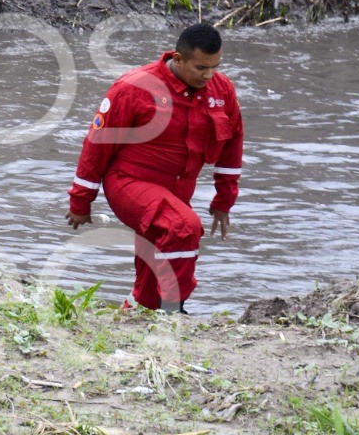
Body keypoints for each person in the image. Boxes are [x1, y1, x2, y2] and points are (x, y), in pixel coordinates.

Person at [65, 24, 244, 312]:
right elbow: (96, 145)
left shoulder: (222, 90)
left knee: (154, 267)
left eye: (215, 67)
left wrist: (225, 199)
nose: (209, 76)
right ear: (179, 59)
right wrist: (80, 201)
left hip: (177, 190)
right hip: (129, 183)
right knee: (183, 227)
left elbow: (232, 144)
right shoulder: (133, 87)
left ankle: (138, 309)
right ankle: (173, 310)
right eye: (201, 68)